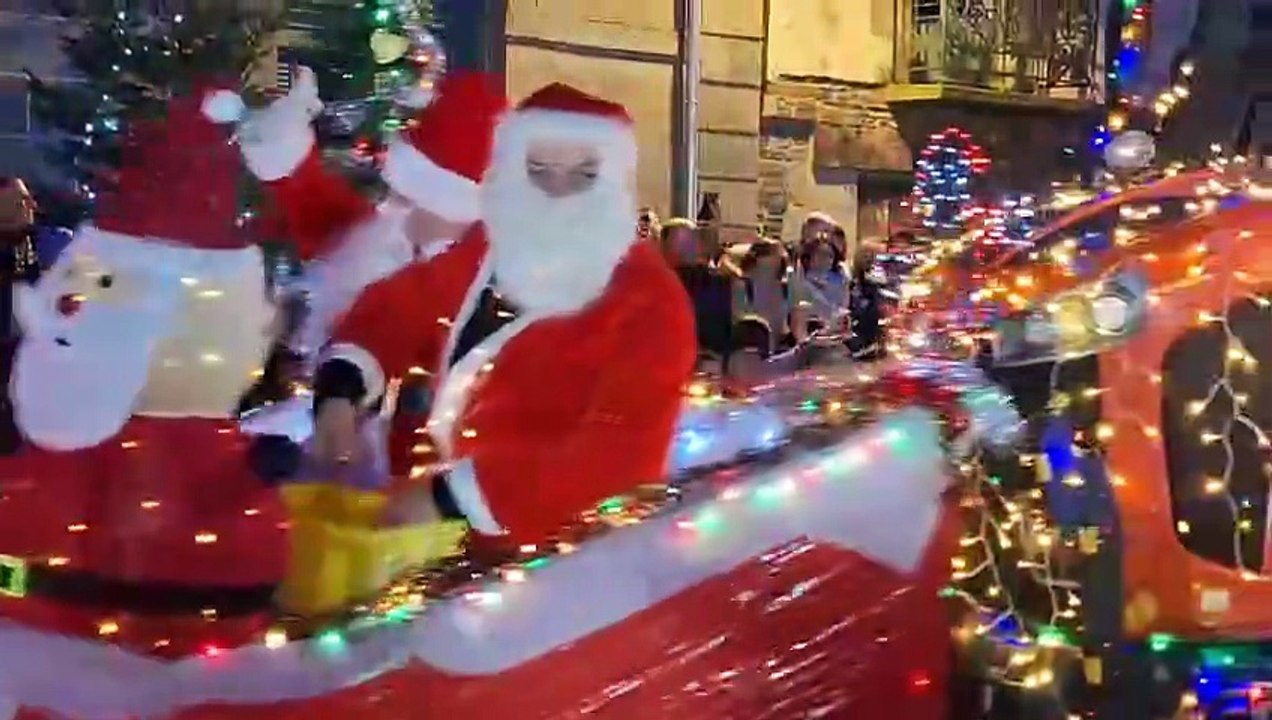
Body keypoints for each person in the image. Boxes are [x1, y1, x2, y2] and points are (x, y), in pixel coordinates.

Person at [311, 84, 696, 548]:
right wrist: (341, 390)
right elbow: (399, 307)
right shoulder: (491, 251)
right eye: (539, 172)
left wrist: (450, 497)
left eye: (583, 175)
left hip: (554, 568)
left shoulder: (648, 300)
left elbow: (617, 457)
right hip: (429, 550)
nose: (558, 193)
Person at [237, 67, 506, 356]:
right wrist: (280, 141)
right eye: (398, 193)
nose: (392, 202)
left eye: (407, 197)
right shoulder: (369, 234)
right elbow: (309, 198)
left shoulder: (462, 292)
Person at [663, 218, 733, 368]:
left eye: (689, 241)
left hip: (706, 362)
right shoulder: (651, 282)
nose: (686, 248)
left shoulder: (717, 282)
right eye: (680, 242)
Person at [733, 239, 793, 354]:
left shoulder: (784, 287)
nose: (772, 261)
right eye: (769, 254)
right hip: (753, 354)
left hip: (779, 352)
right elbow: (740, 321)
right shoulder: (742, 285)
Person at [792, 237, 850, 339]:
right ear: (809, 258)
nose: (826, 259)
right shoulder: (801, 283)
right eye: (821, 254)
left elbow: (843, 309)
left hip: (837, 337)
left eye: (830, 256)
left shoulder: (840, 283)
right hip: (811, 338)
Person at [848, 241, 887, 360]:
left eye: (874, 257)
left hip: (878, 334)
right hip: (856, 334)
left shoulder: (882, 279)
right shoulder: (850, 279)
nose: (870, 260)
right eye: (866, 256)